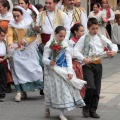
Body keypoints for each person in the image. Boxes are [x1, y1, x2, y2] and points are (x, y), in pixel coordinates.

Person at [74, 18, 118, 118]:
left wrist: (114, 51)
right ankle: (86, 106)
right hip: (87, 65)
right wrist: (83, 59)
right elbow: (75, 51)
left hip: (98, 64)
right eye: (93, 28)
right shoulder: (83, 38)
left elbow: (112, 45)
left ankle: (93, 110)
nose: (95, 31)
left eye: (97, 28)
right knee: (91, 86)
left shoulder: (100, 37)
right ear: (88, 28)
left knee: (97, 89)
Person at [43, 26, 86, 120]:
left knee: (63, 90)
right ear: (55, 34)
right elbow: (44, 59)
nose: (62, 38)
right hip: (52, 70)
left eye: (63, 36)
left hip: (63, 69)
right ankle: (47, 107)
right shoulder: (49, 45)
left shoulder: (65, 44)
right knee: (51, 90)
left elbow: (68, 58)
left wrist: (70, 71)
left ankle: (61, 113)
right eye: (60, 36)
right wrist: (49, 62)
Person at [7, 6, 43, 102]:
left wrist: (25, 40)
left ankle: (30, 88)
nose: (16, 18)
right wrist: (10, 44)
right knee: (17, 69)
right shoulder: (11, 24)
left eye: (18, 16)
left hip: (28, 48)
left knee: (31, 68)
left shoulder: (29, 24)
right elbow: (9, 35)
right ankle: (19, 91)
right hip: (15, 48)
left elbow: (33, 36)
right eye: (14, 16)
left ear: (22, 15)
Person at [0, 0, 14, 93]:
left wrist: (7, 39)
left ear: (6, 8)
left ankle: (8, 82)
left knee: (7, 62)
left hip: (6, 40)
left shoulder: (11, 18)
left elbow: (11, 31)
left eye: (0, 7)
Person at [0, 27, 7, 102]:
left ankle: (1, 92)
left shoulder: (4, 42)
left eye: (3, 36)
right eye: (1, 36)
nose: (3, 37)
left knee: (3, 78)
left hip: (3, 61)